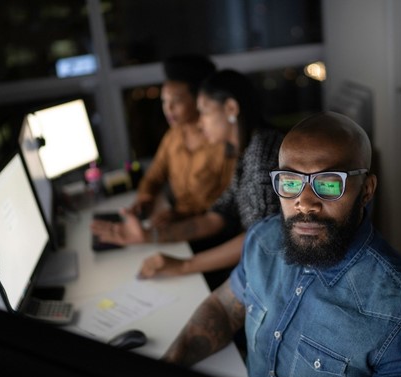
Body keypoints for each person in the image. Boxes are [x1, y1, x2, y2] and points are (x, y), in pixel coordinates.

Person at [160, 111, 401, 377]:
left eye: (329, 184)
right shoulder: (263, 241)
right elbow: (224, 309)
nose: (305, 203)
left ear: (367, 190)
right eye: (290, 183)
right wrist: (162, 370)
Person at [91, 69, 284, 289]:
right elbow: (218, 217)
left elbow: (260, 241)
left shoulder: (263, 153)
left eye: (204, 112)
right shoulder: (243, 151)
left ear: (231, 108)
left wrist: (184, 265)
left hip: (270, 277)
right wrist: (148, 235)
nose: (200, 124)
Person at [130, 54, 236, 227]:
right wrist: (145, 197)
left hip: (205, 230)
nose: (168, 109)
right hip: (176, 222)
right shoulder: (174, 135)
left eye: (176, 101)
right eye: (164, 101)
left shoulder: (221, 142)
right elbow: (154, 176)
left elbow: (226, 208)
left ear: (199, 100)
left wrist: (182, 216)